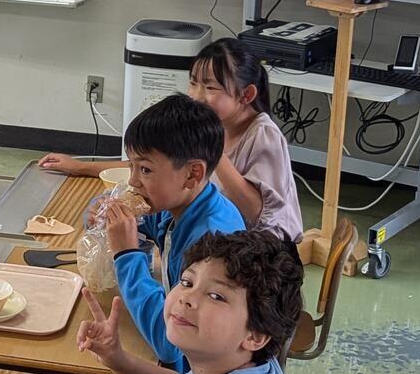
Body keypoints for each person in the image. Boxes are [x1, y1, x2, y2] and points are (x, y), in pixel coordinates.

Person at [51, 230, 308, 374]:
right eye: (187, 282)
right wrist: (117, 359)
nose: (187, 298)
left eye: (216, 296)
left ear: (256, 336)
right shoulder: (253, 368)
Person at [38, 38, 302, 242]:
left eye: (211, 87)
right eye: (193, 83)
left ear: (246, 95)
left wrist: (215, 152)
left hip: (263, 249)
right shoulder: (212, 124)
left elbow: (256, 213)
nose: (197, 96)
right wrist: (82, 167)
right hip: (215, 233)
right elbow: (154, 162)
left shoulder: (262, 135)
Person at [106, 94, 244, 372]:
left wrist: (127, 255)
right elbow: (143, 223)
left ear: (192, 174)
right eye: (131, 166)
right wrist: (104, 210)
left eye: (145, 169)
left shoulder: (210, 243)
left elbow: (168, 343)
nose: (133, 181)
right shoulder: (180, 206)